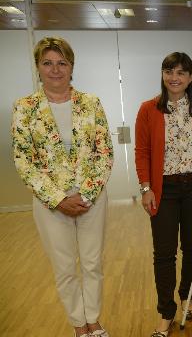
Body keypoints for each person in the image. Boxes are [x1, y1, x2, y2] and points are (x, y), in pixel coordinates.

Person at [11, 37, 113, 337]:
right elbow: (23, 161)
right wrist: (57, 199)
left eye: (62, 63)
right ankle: (79, 327)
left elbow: (105, 152)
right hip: (49, 204)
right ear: (38, 67)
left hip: (90, 198)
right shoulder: (24, 108)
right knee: (65, 269)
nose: (55, 69)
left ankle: (94, 321)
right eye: (48, 63)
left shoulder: (91, 103)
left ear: (71, 66)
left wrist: (87, 194)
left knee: (93, 263)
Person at [135, 52, 192, 337]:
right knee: (164, 253)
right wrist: (146, 188)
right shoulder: (148, 109)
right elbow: (141, 151)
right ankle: (165, 313)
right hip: (163, 189)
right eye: (169, 71)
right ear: (163, 75)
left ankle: (187, 297)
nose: (174, 77)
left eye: (181, 72)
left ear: (190, 77)